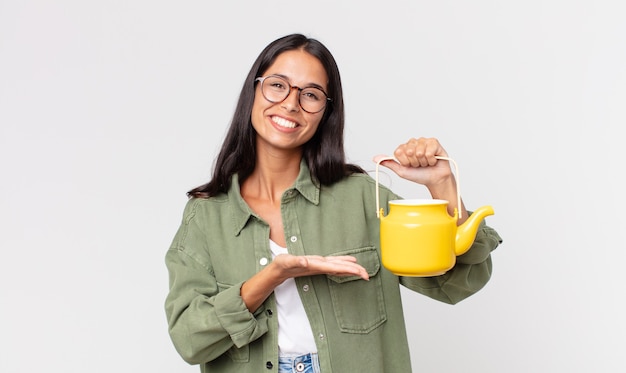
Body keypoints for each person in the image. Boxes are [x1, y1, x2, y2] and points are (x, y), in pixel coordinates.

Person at [164, 33, 502, 373]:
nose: (291, 104)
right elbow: (190, 339)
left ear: (326, 112)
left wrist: (443, 184)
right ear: (254, 90)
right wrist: (271, 277)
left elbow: (458, 283)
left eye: (310, 94)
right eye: (278, 85)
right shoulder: (205, 216)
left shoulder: (360, 199)